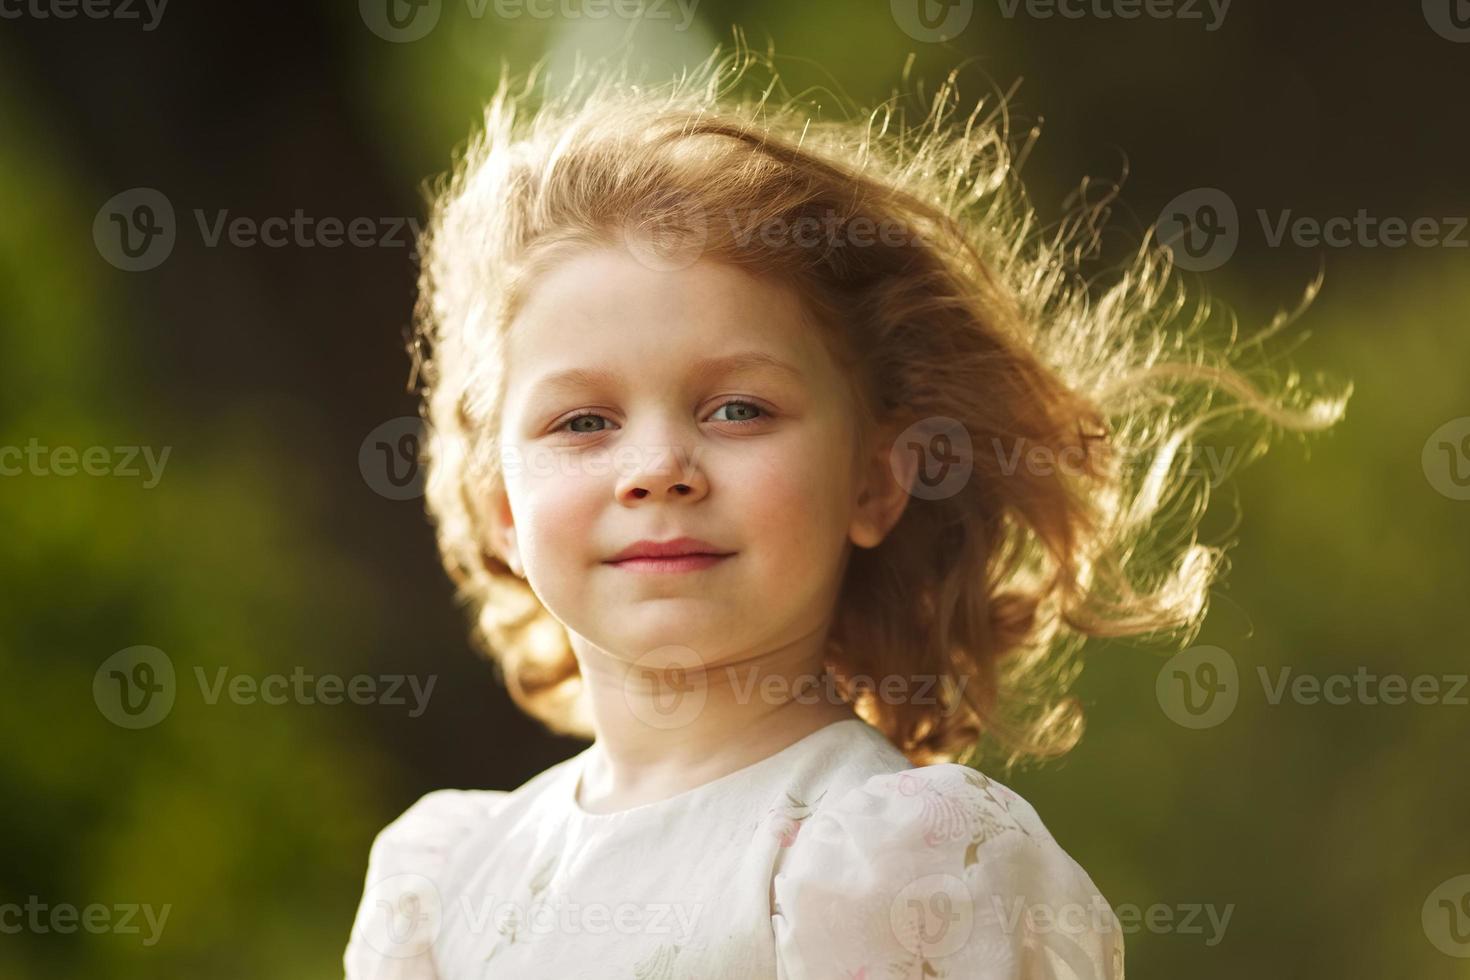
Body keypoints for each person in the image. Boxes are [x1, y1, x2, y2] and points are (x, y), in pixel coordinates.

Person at [343, 43, 1346, 979]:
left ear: (875, 480)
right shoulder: (444, 886)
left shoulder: (894, 861)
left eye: (738, 408)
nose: (657, 468)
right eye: (583, 419)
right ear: (500, 512)